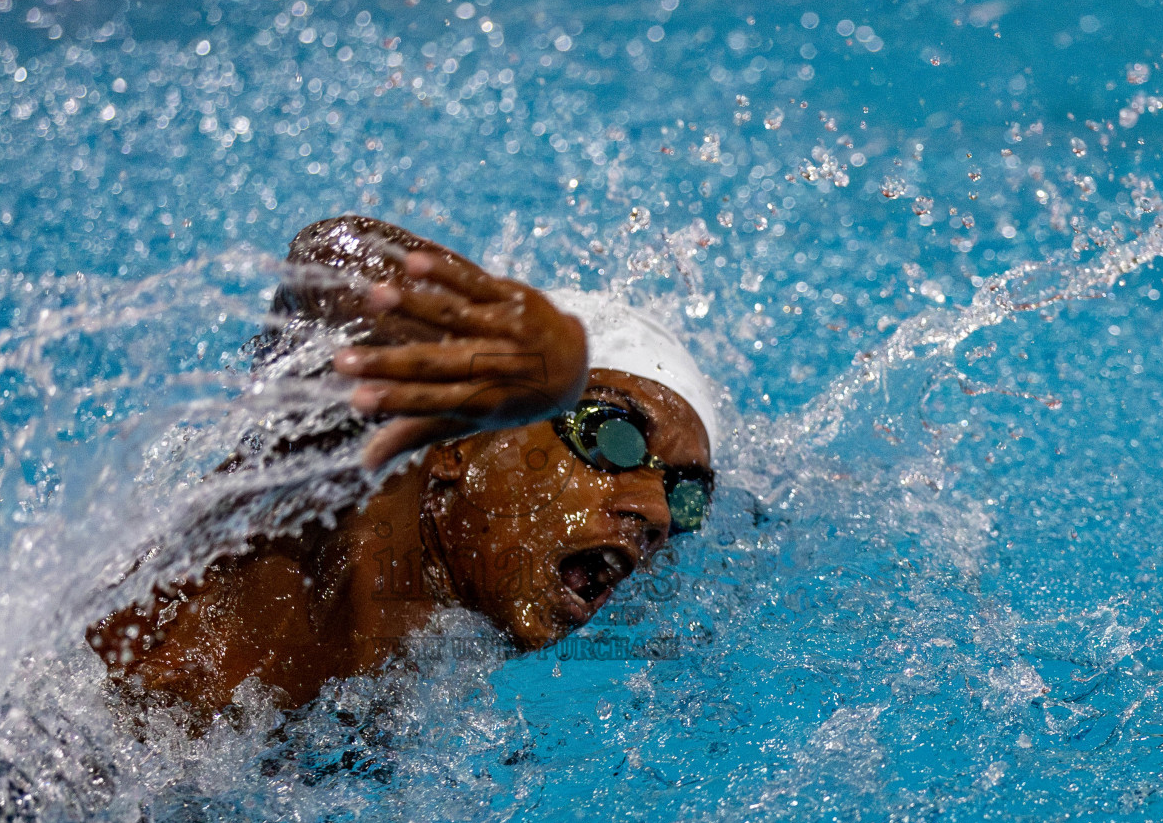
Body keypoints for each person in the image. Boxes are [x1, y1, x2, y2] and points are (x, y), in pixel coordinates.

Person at [88, 216, 719, 722]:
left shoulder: (440, 663)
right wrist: (518, 360)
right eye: (613, 437)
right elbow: (326, 263)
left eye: (685, 495)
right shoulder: (353, 490)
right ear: (463, 434)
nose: (659, 514)